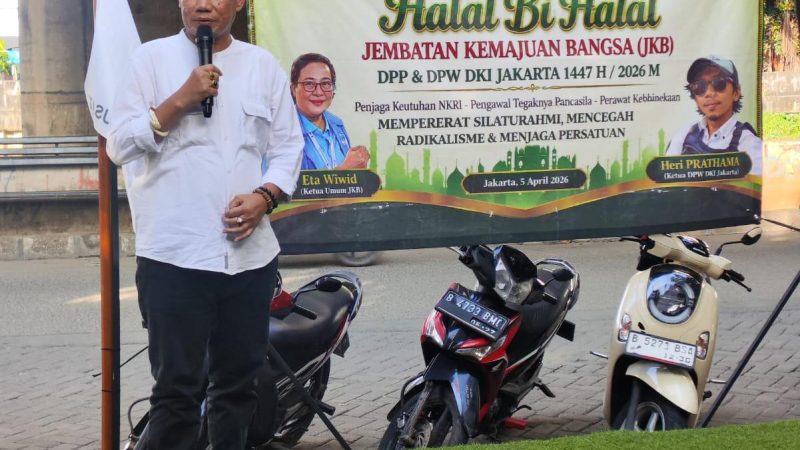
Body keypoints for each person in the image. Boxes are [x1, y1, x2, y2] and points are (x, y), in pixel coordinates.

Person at [107, 0, 303, 448]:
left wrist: (265, 197)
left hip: (248, 260)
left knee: (239, 389)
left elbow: (289, 148)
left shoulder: (262, 66)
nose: (203, 5)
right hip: (173, 258)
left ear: (238, 4)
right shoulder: (149, 60)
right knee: (177, 394)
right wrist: (180, 100)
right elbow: (118, 145)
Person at [665, 55, 763, 176]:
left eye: (719, 83)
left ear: (736, 93)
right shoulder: (683, 137)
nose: (709, 93)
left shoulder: (749, 146)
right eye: (699, 87)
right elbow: (666, 181)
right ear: (695, 98)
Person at [290, 53, 370, 170]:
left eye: (325, 83)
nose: (318, 92)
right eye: (309, 83)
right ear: (294, 89)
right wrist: (344, 170)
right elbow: (282, 181)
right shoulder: (282, 131)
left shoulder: (336, 124)